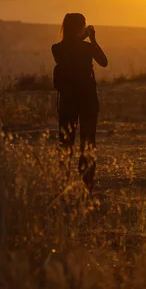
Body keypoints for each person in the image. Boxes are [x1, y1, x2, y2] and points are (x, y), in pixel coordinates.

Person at [52, 13, 108, 193]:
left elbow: (67, 51)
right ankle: (87, 185)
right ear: (80, 28)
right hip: (88, 100)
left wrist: (82, 37)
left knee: (66, 143)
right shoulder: (87, 48)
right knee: (88, 143)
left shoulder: (57, 49)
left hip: (68, 101)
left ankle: (64, 183)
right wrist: (92, 39)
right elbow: (104, 62)